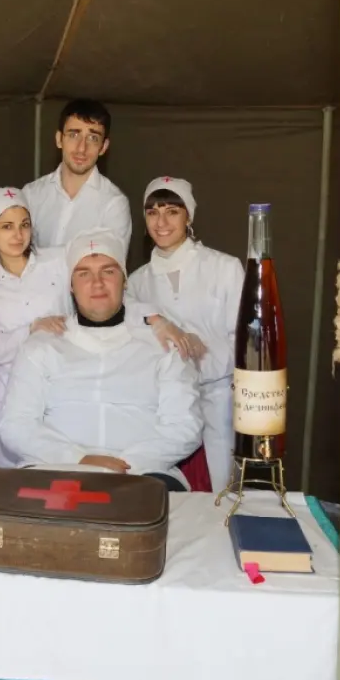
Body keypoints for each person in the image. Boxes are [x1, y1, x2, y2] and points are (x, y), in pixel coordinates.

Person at [0, 227, 202, 490]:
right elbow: (16, 426)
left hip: (144, 473)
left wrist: (127, 464)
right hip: (55, 470)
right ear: (71, 286)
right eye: (84, 274)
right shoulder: (41, 346)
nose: (97, 283)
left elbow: (184, 425)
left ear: (124, 280)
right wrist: (78, 460)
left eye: (108, 271)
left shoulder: (163, 345)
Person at [127, 176, 245, 492]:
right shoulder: (136, 283)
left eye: (172, 211)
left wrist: (201, 351)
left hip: (220, 399)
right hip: (165, 406)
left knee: (221, 490)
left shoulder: (225, 268)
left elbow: (246, 341)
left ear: (188, 216)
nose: (161, 222)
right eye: (152, 212)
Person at [0, 187, 72, 468]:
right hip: (11, 398)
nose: (18, 235)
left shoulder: (59, 261)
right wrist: (32, 329)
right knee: (17, 484)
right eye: (7, 227)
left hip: (63, 391)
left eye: (24, 225)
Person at [22, 99, 132, 252]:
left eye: (93, 138)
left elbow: (107, 264)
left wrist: (38, 259)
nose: (81, 148)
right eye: (74, 135)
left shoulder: (114, 204)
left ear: (103, 147)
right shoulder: (30, 194)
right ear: (59, 139)